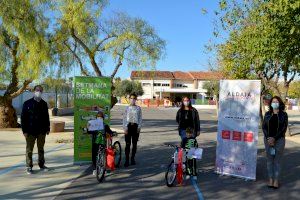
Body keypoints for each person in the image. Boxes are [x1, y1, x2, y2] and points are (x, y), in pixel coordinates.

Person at [21, 85, 50, 174]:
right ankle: (29, 166)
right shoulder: (27, 103)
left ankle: (41, 165)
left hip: (42, 131)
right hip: (30, 131)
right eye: (37, 90)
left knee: (41, 149)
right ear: (34, 91)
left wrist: (48, 128)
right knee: (29, 149)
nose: (39, 92)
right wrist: (24, 131)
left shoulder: (44, 104)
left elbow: (46, 117)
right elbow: (23, 118)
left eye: (41, 90)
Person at [262, 96, 288, 189]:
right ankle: (270, 179)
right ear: (271, 103)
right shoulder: (267, 114)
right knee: (269, 161)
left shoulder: (284, 115)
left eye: (277, 101)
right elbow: (264, 127)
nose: (275, 103)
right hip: (267, 140)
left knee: (277, 161)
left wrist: (274, 139)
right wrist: (269, 138)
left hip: (279, 140)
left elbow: (283, 129)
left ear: (280, 103)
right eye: (273, 101)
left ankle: (276, 180)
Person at [88, 111, 113, 176]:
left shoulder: (105, 125)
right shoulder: (93, 125)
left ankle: (104, 167)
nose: (99, 118)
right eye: (98, 117)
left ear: (103, 118)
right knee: (94, 155)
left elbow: (110, 131)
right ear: (96, 118)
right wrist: (88, 127)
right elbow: (89, 132)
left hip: (102, 142)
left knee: (104, 154)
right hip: (95, 142)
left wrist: (112, 133)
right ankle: (94, 169)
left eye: (101, 117)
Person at [123, 93, 142, 167]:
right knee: (127, 144)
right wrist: (125, 128)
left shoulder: (138, 108)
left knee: (134, 144)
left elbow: (140, 118)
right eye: (131, 98)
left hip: (135, 127)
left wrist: (139, 127)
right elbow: (124, 118)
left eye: (134, 98)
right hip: (128, 127)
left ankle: (132, 158)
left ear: (136, 99)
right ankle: (127, 160)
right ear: (129, 99)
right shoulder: (127, 108)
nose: (132, 99)